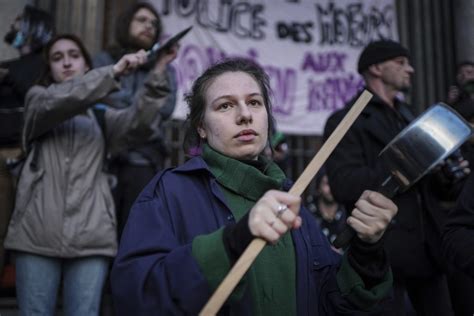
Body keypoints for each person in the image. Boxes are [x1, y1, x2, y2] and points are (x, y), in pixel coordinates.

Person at [110, 58, 398, 315]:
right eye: (225, 105)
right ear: (201, 127)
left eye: (255, 102)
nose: (245, 115)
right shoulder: (169, 192)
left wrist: (366, 251)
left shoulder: (292, 203)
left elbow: (332, 302)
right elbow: (136, 297)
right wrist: (232, 242)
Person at [3, 34, 178, 315]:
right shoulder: (38, 100)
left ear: (86, 65)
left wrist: (158, 72)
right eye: (57, 58)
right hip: (35, 235)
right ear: (50, 69)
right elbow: (63, 100)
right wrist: (113, 72)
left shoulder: (101, 116)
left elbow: (140, 123)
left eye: (74, 55)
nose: (67, 63)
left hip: (92, 238)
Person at [323, 39, 472, 315]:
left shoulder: (410, 117)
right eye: (401, 63)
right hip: (384, 256)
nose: (411, 69)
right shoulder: (346, 120)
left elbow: (430, 189)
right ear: (377, 68)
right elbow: (344, 183)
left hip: (429, 254)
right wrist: (405, 163)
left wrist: (446, 177)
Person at [93, 2, 178, 237]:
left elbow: (164, 109)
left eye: (153, 23)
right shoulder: (104, 60)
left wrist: (159, 67)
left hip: (144, 162)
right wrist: (145, 101)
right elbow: (110, 102)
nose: (148, 26)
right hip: (104, 160)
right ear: (126, 23)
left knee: (135, 234)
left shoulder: (166, 69)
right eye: (141, 20)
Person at [0, 5, 54, 280]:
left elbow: (36, 96)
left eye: (20, 22)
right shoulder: (11, 65)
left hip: (23, 153)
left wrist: (9, 77)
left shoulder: (43, 66)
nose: (14, 27)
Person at [306, 170, 347, 247]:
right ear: (319, 187)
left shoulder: (347, 212)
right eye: (327, 184)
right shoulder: (307, 211)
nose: (332, 188)